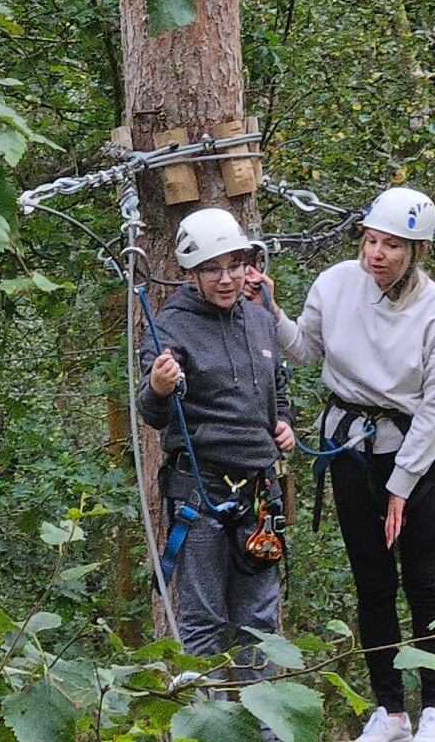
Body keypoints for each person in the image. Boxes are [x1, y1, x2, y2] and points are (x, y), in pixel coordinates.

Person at [245, 187, 435, 742]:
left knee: (425, 583)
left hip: (418, 455)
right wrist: (273, 312)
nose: (377, 254)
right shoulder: (337, 283)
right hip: (350, 449)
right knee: (372, 583)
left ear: (415, 251)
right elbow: (306, 349)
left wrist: (402, 484)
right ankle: (389, 710)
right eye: (371, 241)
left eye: (392, 245)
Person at [137, 208, 295, 720]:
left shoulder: (258, 318)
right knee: (203, 622)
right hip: (200, 492)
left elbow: (277, 388)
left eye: (234, 265)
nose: (226, 279)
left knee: (259, 623)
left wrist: (284, 423)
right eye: (211, 269)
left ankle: (264, 728)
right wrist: (159, 387)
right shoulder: (171, 326)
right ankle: (209, 728)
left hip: (259, 494)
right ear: (191, 272)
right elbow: (152, 411)